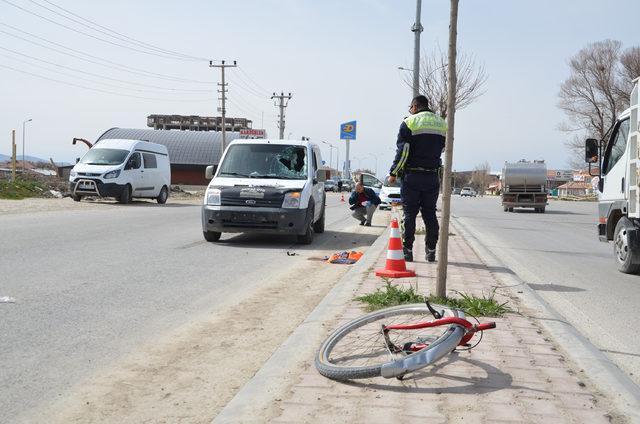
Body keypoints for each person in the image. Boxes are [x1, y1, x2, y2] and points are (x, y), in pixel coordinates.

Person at [388, 95, 447, 263]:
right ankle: (431, 250)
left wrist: (394, 172)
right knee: (430, 214)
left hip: (412, 177)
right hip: (432, 176)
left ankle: (407, 250)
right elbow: (442, 148)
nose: (410, 110)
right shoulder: (441, 123)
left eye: (410, 107)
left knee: (409, 214)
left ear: (415, 106)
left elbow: (404, 151)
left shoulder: (409, 122)